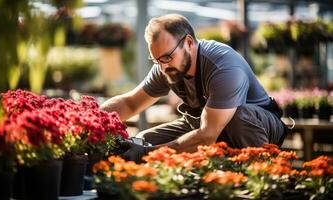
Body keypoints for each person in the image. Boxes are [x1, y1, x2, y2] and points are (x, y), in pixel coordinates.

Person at [100, 13, 287, 163]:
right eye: (156, 60)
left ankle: (263, 174)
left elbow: (207, 135)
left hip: (256, 126)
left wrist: (147, 153)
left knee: (238, 117)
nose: (163, 66)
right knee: (144, 138)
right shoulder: (166, 65)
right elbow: (131, 103)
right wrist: (89, 120)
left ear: (189, 43)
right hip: (208, 124)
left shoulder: (223, 66)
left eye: (166, 57)